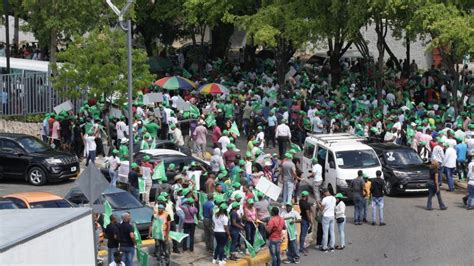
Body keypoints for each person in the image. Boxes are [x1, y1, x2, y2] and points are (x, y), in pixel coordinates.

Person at [318, 188, 336, 253]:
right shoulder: (333, 198)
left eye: (323, 193)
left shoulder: (324, 199)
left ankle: (324, 247)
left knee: (325, 233)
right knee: (332, 232)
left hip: (326, 216)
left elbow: (321, 209)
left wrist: (318, 203)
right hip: (332, 216)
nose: (323, 194)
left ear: (325, 192)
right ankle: (332, 247)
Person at [298, 191, 312, 255]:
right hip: (305, 220)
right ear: (306, 196)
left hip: (302, 218)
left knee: (302, 234)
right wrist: (310, 221)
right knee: (303, 235)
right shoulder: (306, 204)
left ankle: (301, 246)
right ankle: (301, 248)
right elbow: (308, 214)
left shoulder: (300, 201)